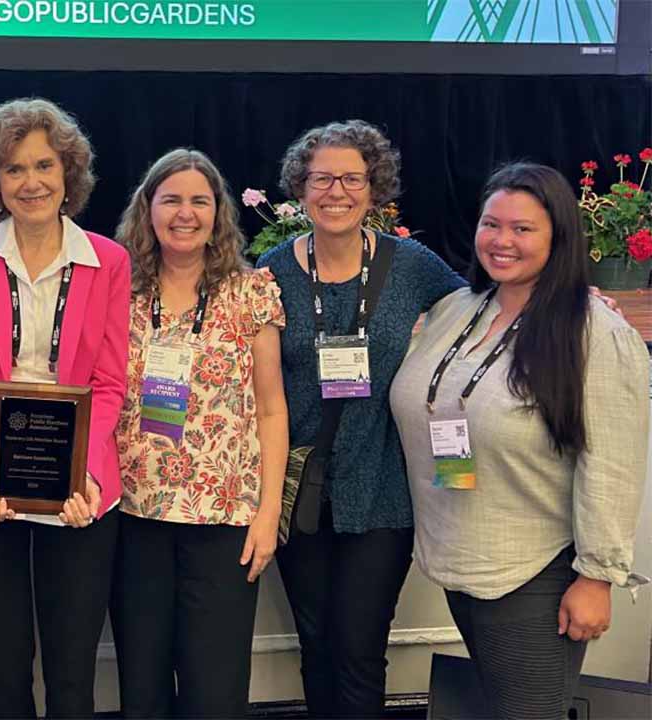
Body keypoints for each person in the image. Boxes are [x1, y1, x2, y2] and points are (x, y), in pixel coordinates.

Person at [391, 162, 648, 719]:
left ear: (559, 237)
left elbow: (613, 465)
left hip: (536, 573)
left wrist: (597, 577)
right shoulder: (457, 309)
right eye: (491, 223)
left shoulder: (594, 331)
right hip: (461, 560)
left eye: (523, 229)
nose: (502, 240)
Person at [255, 120, 467, 718]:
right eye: (322, 178)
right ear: (301, 188)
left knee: (359, 648)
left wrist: (577, 297)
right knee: (316, 645)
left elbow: (481, 313)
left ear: (375, 190)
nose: (337, 191)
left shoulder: (413, 266)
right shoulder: (271, 272)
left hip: (384, 493)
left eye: (352, 178)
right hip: (302, 492)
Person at [0, 97, 131, 718]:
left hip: (80, 490)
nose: (32, 182)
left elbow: (108, 382)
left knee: (73, 674)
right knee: (4, 666)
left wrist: (85, 471)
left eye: (44, 165)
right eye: (14, 169)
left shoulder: (109, 261)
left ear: (68, 173)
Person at [111, 148, 288, 718]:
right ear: (148, 208)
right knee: (141, 688)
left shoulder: (249, 293)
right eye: (171, 200)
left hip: (224, 521)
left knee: (215, 691)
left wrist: (267, 516)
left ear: (218, 214)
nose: (184, 214)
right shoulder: (120, 293)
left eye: (199, 201)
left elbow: (271, 412)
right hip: (134, 518)